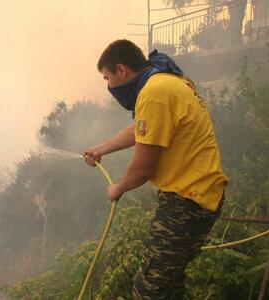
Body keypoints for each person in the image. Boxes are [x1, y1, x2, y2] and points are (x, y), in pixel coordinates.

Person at [83, 39, 228, 299]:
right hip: (201, 194)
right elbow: (141, 128)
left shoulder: (154, 93)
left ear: (122, 70)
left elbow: (143, 169)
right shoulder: (166, 81)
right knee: (170, 285)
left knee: (147, 291)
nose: (108, 86)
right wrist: (101, 149)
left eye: (107, 78)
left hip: (187, 200)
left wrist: (118, 187)